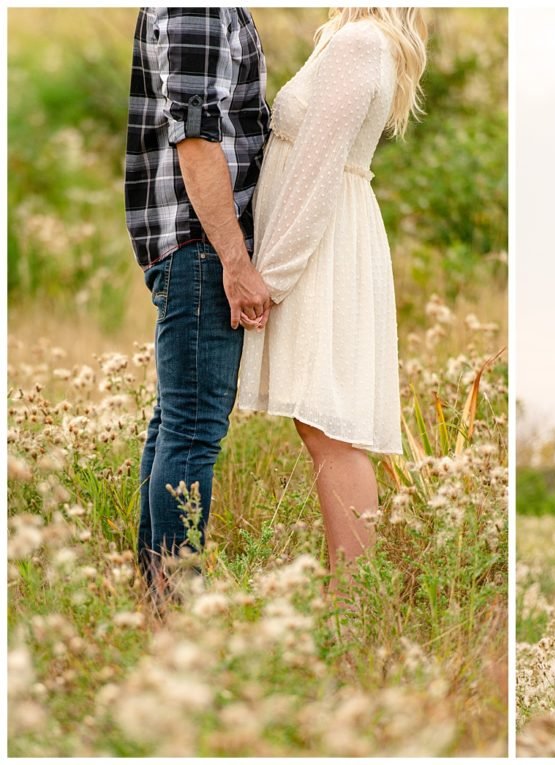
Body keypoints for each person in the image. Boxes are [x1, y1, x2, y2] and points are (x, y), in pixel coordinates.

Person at [236, 8, 428, 588]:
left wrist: (272, 275)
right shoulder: (356, 41)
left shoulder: (359, 41)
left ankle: (353, 607)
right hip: (324, 235)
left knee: (330, 426)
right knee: (321, 425)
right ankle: (352, 601)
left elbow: (317, 167)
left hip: (321, 245)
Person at [125, 8, 272, 601]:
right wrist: (236, 263)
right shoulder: (198, 6)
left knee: (174, 426)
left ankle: (157, 601)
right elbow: (195, 135)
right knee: (190, 432)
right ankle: (179, 611)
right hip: (204, 247)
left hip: (197, 246)